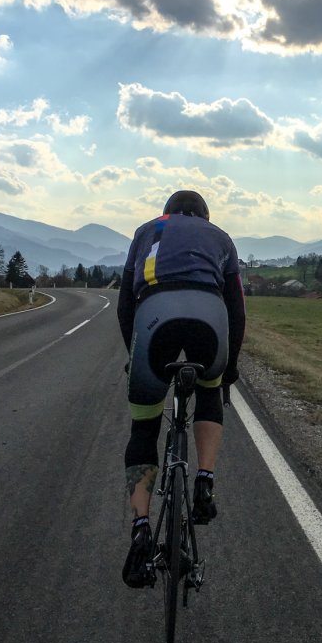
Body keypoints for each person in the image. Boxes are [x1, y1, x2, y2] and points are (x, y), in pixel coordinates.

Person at [117, 189, 246, 588]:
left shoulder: (145, 232)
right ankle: (204, 479)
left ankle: (141, 528)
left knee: (144, 427)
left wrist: (134, 355)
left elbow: (125, 304)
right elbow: (237, 308)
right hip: (211, 320)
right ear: (204, 215)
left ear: (167, 213)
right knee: (210, 390)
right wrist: (230, 368)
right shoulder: (221, 237)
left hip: (154, 321)